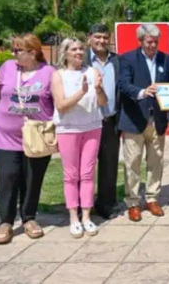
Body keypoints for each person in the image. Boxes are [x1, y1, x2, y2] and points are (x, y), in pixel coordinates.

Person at [0, 34, 55, 244]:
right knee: (8, 176)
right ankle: (5, 222)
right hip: (5, 134)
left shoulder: (49, 73)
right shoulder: (8, 67)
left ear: (32, 52)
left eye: (17, 50)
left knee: (32, 178)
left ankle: (29, 218)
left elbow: (57, 101)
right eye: (13, 49)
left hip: (36, 135)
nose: (13, 54)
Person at [118, 24, 169, 222]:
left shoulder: (166, 59)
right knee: (132, 162)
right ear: (140, 41)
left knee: (156, 161)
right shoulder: (127, 59)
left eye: (155, 42)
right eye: (149, 42)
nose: (153, 46)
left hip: (158, 120)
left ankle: (152, 198)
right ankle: (133, 202)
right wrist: (143, 93)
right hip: (134, 119)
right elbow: (124, 85)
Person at [52, 38, 107, 238]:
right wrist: (81, 92)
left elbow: (102, 102)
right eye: (74, 49)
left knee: (87, 173)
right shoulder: (58, 75)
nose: (78, 52)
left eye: (81, 49)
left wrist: (99, 90)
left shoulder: (92, 72)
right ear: (65, 53)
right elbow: (61, 106)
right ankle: (73, 217)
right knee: (71, 175)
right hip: (68, 129)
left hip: (93, 126)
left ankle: (86, 216)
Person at [83, 24, 123, 220]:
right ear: (89, 38)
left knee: (109, 164)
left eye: (105, 37)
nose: (101, 41)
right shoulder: (79, 59)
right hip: (86, 120)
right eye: (97, 37)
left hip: (110, 120)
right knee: (85, 165)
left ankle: (106, 203)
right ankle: (83, 205)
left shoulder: (116, 60)